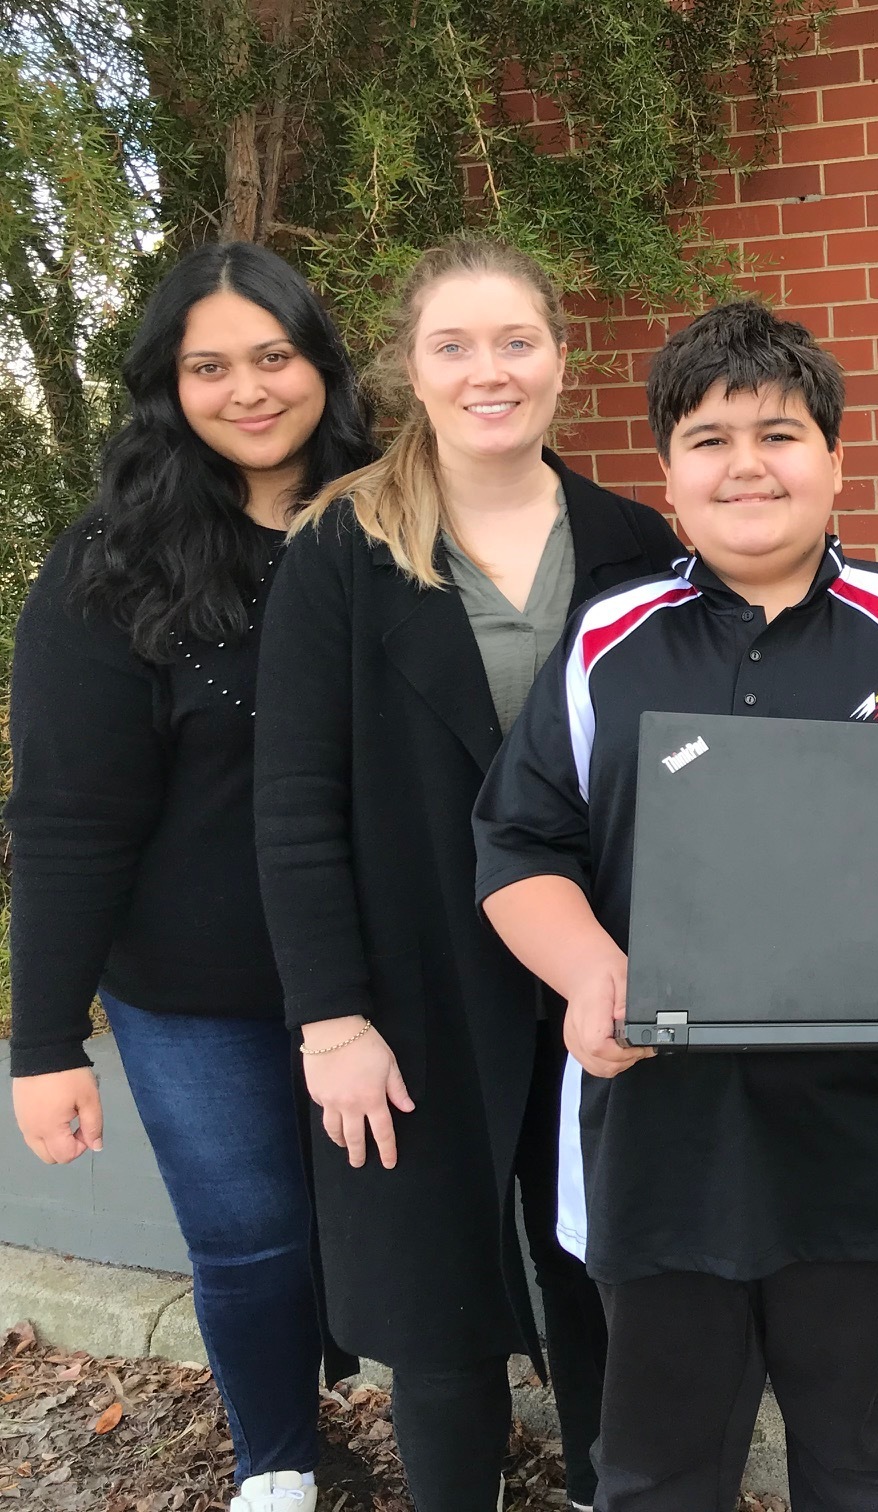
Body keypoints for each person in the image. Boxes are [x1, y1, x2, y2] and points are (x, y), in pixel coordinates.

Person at [471, 301, 878, 1512]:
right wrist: (587, 970)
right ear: (669, 480)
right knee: (659, 1471)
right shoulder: (606, 639)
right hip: (658, 1142)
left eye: (781, 434)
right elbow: (521, 844)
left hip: (867, 1143)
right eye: (710, 438)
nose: (748, 463)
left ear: (836, 461)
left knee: (872, 1461)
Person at [253, 239, 678, 1512]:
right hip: (409, 985)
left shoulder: (636, 542)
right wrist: (331, 1020)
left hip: (599, 972)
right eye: (454, 345)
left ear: (560, 359)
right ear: (410, 372)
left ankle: (620, 1486)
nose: (488, 371)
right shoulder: (342, 548)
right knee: (438, 1312)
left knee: (609, 1271)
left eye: (515, 342)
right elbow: (292, 804)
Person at [8, 243, 376, 1512]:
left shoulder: (396, 523)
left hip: (391, 970)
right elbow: (65, 818)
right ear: (169, 384)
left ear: (320, 362)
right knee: (250, 1238)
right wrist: (46, 1040)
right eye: (208, 365)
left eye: (274, 356)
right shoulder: (111, 566)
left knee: (400, 1222)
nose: (250, 390)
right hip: (197, 987)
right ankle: (278, 1454)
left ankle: (444, 1419)